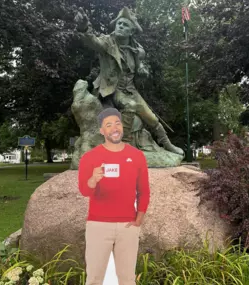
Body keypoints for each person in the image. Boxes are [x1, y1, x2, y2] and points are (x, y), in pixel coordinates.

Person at [75, 7, 184, 156]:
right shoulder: (108, 42)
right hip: (112, 89)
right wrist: (84, 27)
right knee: (130, 106)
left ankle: (168, 145)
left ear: (131, 31)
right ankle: (122, 144)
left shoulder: (137, 50)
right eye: (119, 23)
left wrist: (142, 71)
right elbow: (92, 41)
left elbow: (139, 73)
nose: (120, 26)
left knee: (151, 118)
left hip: (131, 90)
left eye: (125, 25)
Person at [78, 107, 150, 285]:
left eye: (117, 123)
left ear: (122, 127)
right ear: (102, 131)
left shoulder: (137, 156)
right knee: (94, 278)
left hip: (127, 226)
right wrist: (93, 180)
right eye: (108, 125)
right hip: (98, 225)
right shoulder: (89, 158)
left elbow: (144, 190)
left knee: (127, 279)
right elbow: (84, 191)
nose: (114, 128)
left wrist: (139, 218)